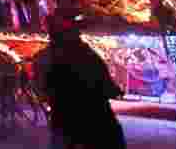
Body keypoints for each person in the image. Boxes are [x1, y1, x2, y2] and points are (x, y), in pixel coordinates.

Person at [41, 10, 126, 149]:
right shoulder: (84, 53)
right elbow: (102, 78)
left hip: (63, 116)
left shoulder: (47, 55)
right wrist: (112, 90)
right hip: (91, 114)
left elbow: (44, 86)